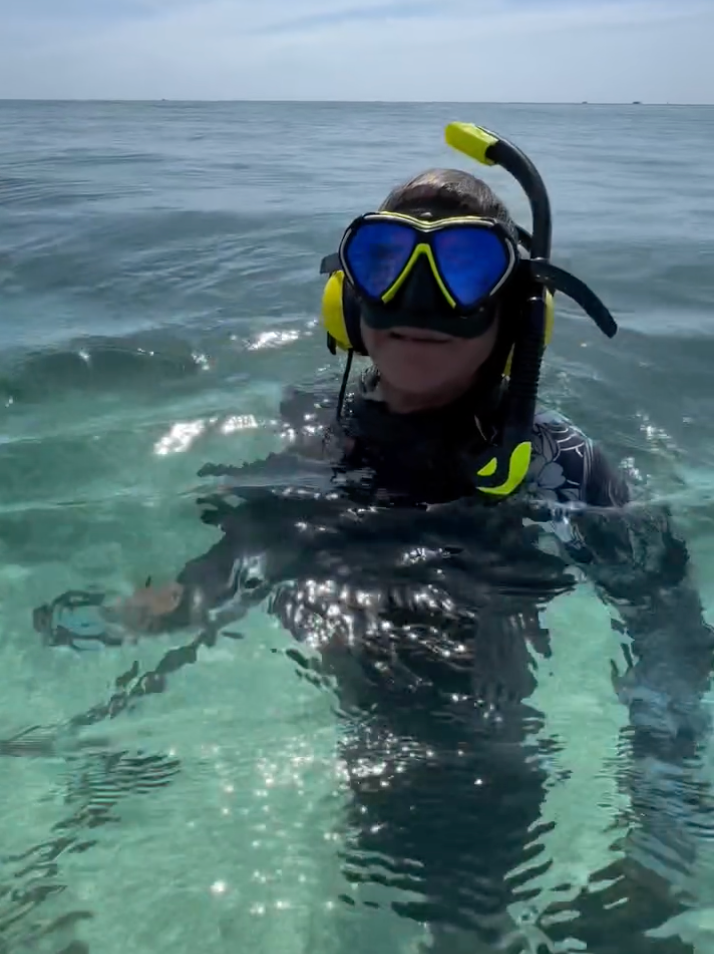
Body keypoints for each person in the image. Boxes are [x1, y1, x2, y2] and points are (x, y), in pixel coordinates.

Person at [33, 123, 714, 953]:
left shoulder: (562, 466)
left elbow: (668, 632)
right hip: (354, 729)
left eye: (462, 267)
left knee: (461, 915)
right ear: (349, 302)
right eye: (389, 262)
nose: (419, 301)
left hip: (477, 757)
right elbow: (235, 557)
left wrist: (661, 841)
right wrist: (143, 613)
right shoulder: (317, 435)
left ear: (517, 314)